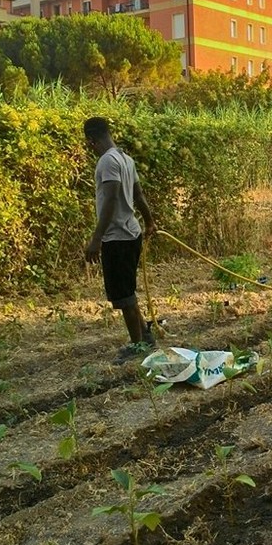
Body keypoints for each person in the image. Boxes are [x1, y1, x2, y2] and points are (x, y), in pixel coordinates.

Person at [83, 116, 158, 364]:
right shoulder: (126, 159)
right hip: (132, 233)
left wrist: (96, 239)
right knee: (128, 290)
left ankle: (137, 347)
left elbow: (113, 199)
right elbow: (138, 194)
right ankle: (145, 336)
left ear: (92, 141)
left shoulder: (107, 162)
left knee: (124, 295)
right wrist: (149, 221)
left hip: (117, 237)